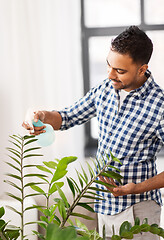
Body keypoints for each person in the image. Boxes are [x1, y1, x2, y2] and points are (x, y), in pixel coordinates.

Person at [22, 26, 164, 240]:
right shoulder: (104, 89)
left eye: (120, 71)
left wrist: (138, 188)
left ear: (142, 69)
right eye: (109, 65)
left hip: (138, 207)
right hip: (104, 204)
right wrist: (41, 115)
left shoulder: (159, 106)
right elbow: (67, 116)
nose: (110, 74)